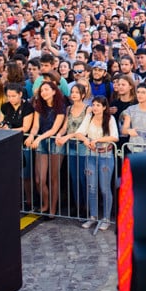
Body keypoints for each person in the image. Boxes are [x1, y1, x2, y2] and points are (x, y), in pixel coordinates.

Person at [74, 96, 119, 232]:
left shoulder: (110, 119)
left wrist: (98, 140)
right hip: (91, 155)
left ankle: (106, 218)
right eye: (93, 105)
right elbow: (79, 133)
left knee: (104, 188)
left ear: (104, 107)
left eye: (98, 105)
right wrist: (86, 141)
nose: (95, 107)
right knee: (91, 187)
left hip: (105, 155)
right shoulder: (89, 117)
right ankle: (93, 216)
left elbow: (115, 136)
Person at [26, 80, 66, 216]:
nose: (43, 93)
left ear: (54, 91)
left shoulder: (60, 106)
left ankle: (53, 209)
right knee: (39, 179)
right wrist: (32, 135)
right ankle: (45, 203)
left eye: (47, 90)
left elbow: (55, 129)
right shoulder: (39, 106)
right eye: (42, 90)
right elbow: (35, 126)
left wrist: (38, 138)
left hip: (55, 142)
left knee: (54, 178)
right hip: (41, 142)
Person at [55, 81, 91, 218]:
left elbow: (84, 130)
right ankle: (77, 205)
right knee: (74, 178)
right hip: (70, 146)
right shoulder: (68, 109)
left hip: (82, 146)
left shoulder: (88, 109)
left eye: (77, 92)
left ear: (82, 94)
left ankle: (86, 207)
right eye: (72, 92)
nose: (74, 94)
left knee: (84, 178)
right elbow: (65, 126)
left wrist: (66, 136)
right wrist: (59, 134)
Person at [1, 82, 35, 210]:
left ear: (20, 94)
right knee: (12, 174)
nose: (11, 99)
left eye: (13, 96)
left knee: (26, 175)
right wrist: (3, 126)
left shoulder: (27, 107)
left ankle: (29, 201)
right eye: (8, 96)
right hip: (9, 145)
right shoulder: (5, 107)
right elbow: (2, 121)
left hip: (24, 144)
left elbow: (25, 128)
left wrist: (10, 130)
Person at [122, 83, 146, 153]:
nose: (140, 95)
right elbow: (124, 130)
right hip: (132, 149)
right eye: (138, 92)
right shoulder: (131, 109)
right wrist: (129, 131)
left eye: (143, 92)